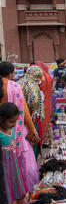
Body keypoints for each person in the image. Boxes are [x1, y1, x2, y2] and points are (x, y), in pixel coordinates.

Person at [0, 61, 39, 193]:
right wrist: (33, 129)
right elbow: (24, 111)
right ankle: (24, 195)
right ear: (11, 73)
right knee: (23, 166)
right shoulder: (14, 86)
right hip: (17, 133)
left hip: (2, 131)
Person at [0, 103, 29, 204]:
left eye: (16, 121)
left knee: (15, 188)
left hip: (13, 167)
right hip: (4, 169)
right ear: (2, 119)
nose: (14, 124)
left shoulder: (10, 129)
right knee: (7, 192)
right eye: (11, 122)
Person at [19, 65, 45, 160]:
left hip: (19, 119)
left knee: (24, 143)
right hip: (31, 119)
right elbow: (35, 104)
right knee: (33, 140)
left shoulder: (20, 81)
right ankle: (32, 163)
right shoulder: (33, 86)